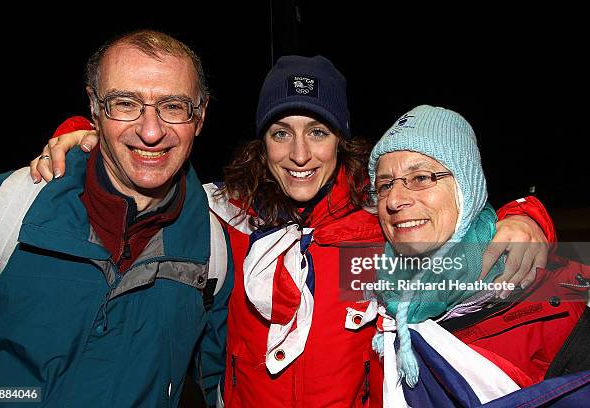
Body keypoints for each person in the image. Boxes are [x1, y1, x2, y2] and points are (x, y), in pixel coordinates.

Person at [29, 57, 554, 407]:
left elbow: (458, 217)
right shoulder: (227, 220)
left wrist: (528, 214)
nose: (299, 155)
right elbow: (145, 173)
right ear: (263, 144)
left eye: (317, 132)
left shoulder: (380, 228)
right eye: (282, 133)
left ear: (341, 141)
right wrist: (82, 136)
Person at [0, 30, 232, 407]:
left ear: (200, 115)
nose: (151, 131)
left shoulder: (214, 250)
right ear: (95, 108)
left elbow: (221, 388)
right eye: (125, 103)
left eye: (174, 106)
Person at [365, 105, 589, 407]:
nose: (394, 199)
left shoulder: (566, 303)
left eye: (420, 178)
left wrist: (528, 215)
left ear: (466, 189)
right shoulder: (375, 294)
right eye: (385, 184)